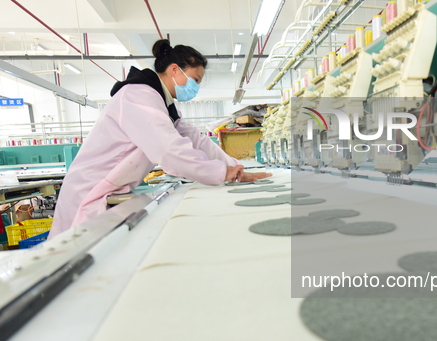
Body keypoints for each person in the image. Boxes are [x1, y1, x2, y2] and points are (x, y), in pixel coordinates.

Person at [49, 39, 271, 238]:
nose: (195, 88)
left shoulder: (161, 102)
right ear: (175, 70)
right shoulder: (138, 96)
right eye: (195, 79)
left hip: (107, 187)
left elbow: (195, 139)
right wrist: (220, 173)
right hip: (87, 190)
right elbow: (169, 151)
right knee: (67, 260)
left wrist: (235, 168)